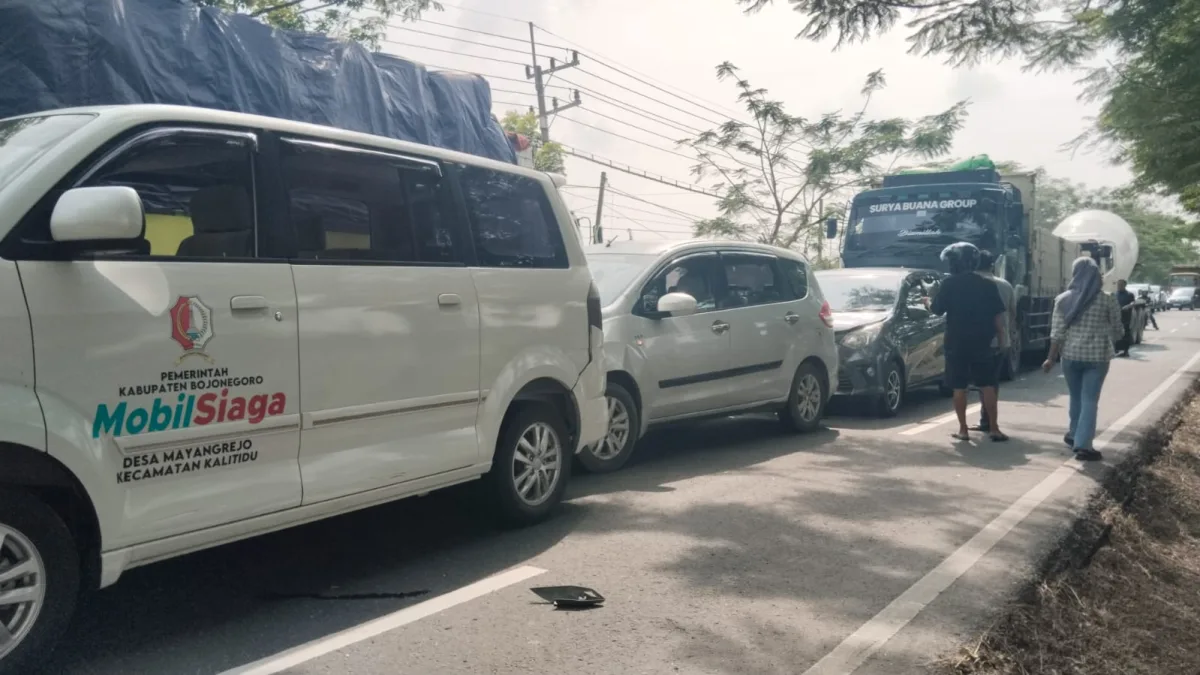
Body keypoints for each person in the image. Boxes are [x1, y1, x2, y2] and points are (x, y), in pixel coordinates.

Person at [1042, 257, 1124, 462]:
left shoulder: (1062, 299)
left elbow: (1057, 333)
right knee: (1089, 400)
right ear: (1097, 275)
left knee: (1076, 397)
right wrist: (1112, 335)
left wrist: (1050, 359)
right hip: (1097, 357)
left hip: (1070, 357)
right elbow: (1117, 329)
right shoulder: (1107, 299)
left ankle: (1073, 434)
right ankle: (1084, 446)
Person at [930, 242, 1008, 442]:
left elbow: (937, 309)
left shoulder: (948, 284)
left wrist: (928, 299)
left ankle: (963, 429)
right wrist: (1001, 340)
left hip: (956, 343)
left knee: (959, 387)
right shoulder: (988, 285)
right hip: (982, 342)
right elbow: (998, 317)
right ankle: (994, 428)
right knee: (987, 385)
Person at [972, 250, 1015, 432]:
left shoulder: (972, 285)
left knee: (980, 383)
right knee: (992, 382)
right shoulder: (1005, 285)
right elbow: (1012, 313)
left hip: (978, 340)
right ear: (992, 265)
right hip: (1002, 340)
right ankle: (988, 420)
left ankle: (986, 420)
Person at [1113, 279, 1137, 356]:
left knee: (1125, 334)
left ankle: (1125, 351)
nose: (1119, 286)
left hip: (1126, 317)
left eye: (1121, 285)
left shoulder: (1129, 294)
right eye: (1118, 285)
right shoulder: (1114, 294)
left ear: (1124, 285)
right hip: (1116, 317)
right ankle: (1115, 349)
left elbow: (1133, 303)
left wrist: (1128, 306)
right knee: (1115, 334)